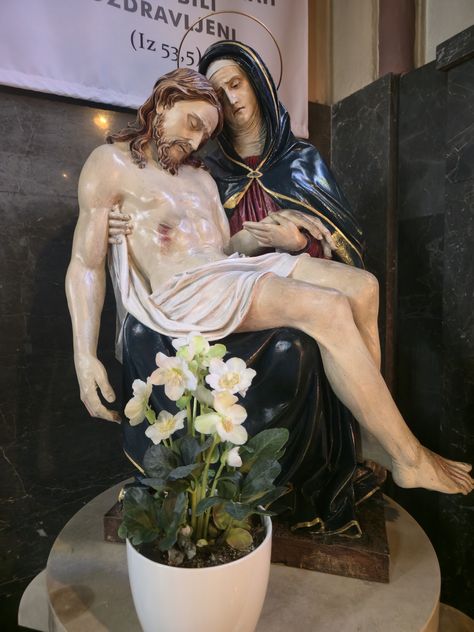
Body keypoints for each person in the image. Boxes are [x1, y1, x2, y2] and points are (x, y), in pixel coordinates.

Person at [66, 68, 473, 508]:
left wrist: (270, 233)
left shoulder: (200, 178)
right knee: (328, 308)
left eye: (206, 134)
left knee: (363, 287)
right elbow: (85, 264)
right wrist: (84, 356)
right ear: (164, 101)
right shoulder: (110, 165)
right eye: (193, 123)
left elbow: (224, 249)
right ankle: (409, 457)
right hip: (184, 293)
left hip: (226, 272)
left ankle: (369, 434)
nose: (197, 142)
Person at [108, 43, 383, 534]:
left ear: (257, 84)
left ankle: (364, 434)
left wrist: (297, 242)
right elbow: (206, 247)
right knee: (302, 338)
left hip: (262, 278)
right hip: (227, 288)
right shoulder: (205, 169)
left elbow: (340, 243)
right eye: (219, 94)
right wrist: (119, 229)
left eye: (236, 85)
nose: (231, 100)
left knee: (359, 291)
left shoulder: (300, 160)